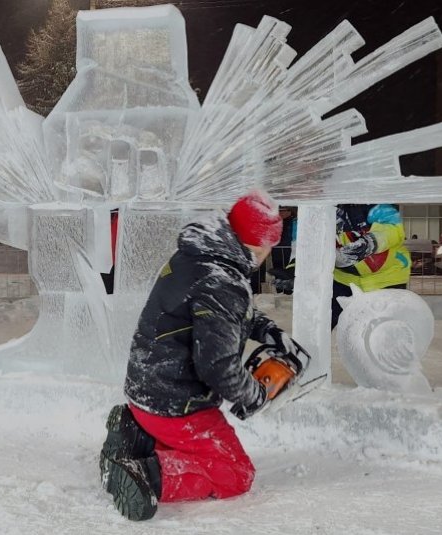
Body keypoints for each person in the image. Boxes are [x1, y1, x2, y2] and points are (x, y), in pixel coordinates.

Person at [99, 190, 297, 521]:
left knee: (196, 450)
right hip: (177, 405)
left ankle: (137, 437)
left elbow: (218, 315)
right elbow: (216, 367)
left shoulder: (199, 256)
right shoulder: (224, 281)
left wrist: (268, 331)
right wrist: (255, 394)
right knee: (235, 472)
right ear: (260, 243)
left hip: (146, 391)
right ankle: (145, 476)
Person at [272, 204, 411, 329]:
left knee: (385, 331)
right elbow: (305, 247)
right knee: (319, 324)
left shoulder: (373, 204)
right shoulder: (312, 214)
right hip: (343, 279)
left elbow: (393, 229)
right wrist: (294, 271)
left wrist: (369, 243)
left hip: (388, 278)